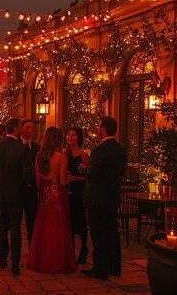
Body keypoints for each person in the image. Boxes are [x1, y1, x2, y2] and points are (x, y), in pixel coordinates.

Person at [79, 116, 127, 281]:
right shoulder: (121, 150)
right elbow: (121, 173)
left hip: (97, 198)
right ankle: (115, 266)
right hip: (112, 197)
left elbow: (93, 174)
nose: (98, 130)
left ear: (104, 129)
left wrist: (83, 169)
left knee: (98, 234)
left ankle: (100, 268)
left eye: (99, 127)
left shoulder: (100, 150)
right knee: (112, 232)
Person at [27, 127, 78, 273]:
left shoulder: (38, 157)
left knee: (43, 228)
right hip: (58, 195)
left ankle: (42, 260)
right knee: (59, 228)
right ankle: (58, 261)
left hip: (44, 194)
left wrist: (42, 192)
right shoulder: (62, 157)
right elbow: (62, 181)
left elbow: (37, 181)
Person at [0, 118, 30, 276]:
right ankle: (15, 265)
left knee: (2, 228)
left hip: (0, 192)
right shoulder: (22, 149)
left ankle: (2, 260)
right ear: (16, 129)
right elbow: (26, 174)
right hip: (16, 193)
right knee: (16, 228)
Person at [64, 126, 90, 264]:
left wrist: (74, 178)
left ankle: (84, 248)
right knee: (69, 222)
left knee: (80, 222)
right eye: (68, 134)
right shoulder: (64, 153)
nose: (70, 137)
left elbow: (87, 177)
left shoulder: (83, 155)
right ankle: (71, 250)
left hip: (79, 191)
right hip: (67, 191)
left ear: (78, 138)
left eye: (73, 135)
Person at [20, 119, 40, 245]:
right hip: (18, 188)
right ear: (21, 128)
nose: (30, 130)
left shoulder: (37, 147)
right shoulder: (16, 145)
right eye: (27, 127)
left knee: (31, 220)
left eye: (32, 128)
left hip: (32, 190)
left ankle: (32, 246)